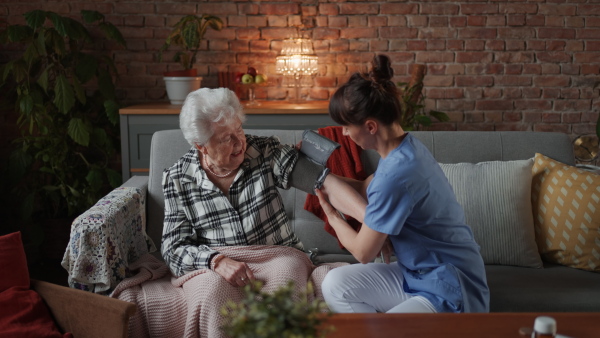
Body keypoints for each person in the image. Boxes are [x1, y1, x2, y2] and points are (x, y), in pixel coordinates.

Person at [315, 55, 490, 314]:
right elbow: (365, 189)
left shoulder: (397, 175)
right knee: (336, 284)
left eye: (346, 127)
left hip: (450, 287)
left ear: (370, 126)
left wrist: (331, 215)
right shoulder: (406, 148)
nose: (344, 134)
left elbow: (363, 252)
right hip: (417, 273)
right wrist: (320, 177)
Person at [161, 87, 308, 286]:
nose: (239, 143)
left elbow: (320, 181)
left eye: (239, 129)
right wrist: (216, 261)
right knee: (211, 291)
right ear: (200, 145)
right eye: (225, 139)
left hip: (276, 257)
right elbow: (173, 249)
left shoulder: (263, 151)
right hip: (221, 267)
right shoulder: (178, 178)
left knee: (285, 281)